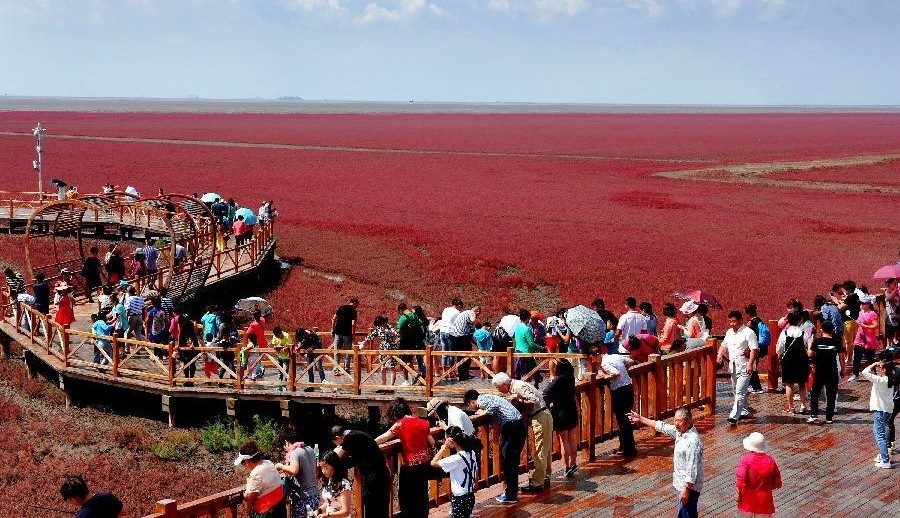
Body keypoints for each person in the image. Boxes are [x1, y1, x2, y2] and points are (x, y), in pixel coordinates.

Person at [628, 408, 704, 518]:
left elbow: (692, 469)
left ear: (688, 422)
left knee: (685, 514)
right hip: (680, 483)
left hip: (688, 486)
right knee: (687, 514)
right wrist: (640, 418)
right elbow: (661, 426)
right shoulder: (680, 431)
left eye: (680, 421)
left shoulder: (692, 442)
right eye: (675, 420)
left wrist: (686, 490)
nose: (676, 424)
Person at [493, 371, 552, 491]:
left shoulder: (518, 387)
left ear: (504, 384)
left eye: (498, 387)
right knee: (544, 448)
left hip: (540, 416)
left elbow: (533, 400)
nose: (498, 390)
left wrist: (518, 401)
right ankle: (544, 477)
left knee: (540, 450)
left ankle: (537, 483)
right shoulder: (515, 386)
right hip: (541, 416)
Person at [464, 389, 525, 504]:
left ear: (471, 401)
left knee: (508, 461)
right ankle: (512, 491)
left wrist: (484, 412)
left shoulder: (482, 400)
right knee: (513, 461)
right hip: (518, 425)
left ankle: (511, 494)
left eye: (470, 405)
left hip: (511, 427)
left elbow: (494, 406)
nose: (472, 408)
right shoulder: (489, 397)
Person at [375, 398, 434, 518]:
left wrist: (368, 443)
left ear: (395, 414)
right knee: (422, 495)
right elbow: (432, 441)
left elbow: (383, 438)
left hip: (410, 467)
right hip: (424, 464)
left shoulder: (400, 424)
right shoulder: (424, 423)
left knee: (407, 498)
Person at [331, 425, 390, 518]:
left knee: (372, 507)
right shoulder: (354, 434)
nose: (339, 445)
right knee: (381, 508)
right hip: (381, 474)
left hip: (374, 477)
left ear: (338, 437)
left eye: (336, 442)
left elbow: (353, 460)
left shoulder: (350, 439)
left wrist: (336, 465)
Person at [717, 310, 759, 426]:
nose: (732, 324)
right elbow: (723, 345)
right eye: (730, 321)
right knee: (736, 390)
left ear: (741, 320)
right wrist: (719, 355)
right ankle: (744, 410)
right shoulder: (729, 332)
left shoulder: (749, 332)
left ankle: (733, 416)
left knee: (740, 391)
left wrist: (750, 364)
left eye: (734, 321)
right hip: (733, 366)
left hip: (745, 366)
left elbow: (754, 349)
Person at [596, 344, 638, 457]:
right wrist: (625, 371)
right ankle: (627, 447)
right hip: (628, 387)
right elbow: (630, 361)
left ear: (596, 355)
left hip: (619, 391)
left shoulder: (604, 363)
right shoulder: (615, 356)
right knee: (627, 418)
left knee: (622, 419)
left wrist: (605, 376)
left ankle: (627, 449)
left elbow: (616, 373)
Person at [431, 425, 479, 518]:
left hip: (460, 496)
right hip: (470, 494)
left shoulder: (456, 459)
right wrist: (475, 485)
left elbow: (433, 463)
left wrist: (443, 448)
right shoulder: (471, 452)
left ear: (452, 441)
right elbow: (476, 471)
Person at [543, 358, 579, 478]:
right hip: (572, 409)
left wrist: (552, 379)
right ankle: (573, 463)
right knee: (571, 438)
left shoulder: (559, 379)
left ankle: (566, 467)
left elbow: (546, 391)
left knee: (564, 440)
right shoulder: (570, 377)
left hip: (561, 411)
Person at [234, 440, 287, 518]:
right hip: (279, 506)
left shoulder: (255, 473)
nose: (244, 466)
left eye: (243, 463)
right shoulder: (268, 463)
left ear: (247, 462)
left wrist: (243, 494)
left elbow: (249, 497)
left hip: (267, 511)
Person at [735, 432, 782, 518]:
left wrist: (738, 493)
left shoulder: (745, 460)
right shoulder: (770, 460)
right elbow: (777, 483)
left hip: (747, 500)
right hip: (765, 501)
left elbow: (741, 479)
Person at [860, 353, 895, 469]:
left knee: (879, 434)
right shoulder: (891, 379)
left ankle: (885, 460)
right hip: (888, 409)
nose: (879, 368)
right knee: (881, 433)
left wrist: (874, 363)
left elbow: (864, 372)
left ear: (884, 370)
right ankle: (882, 455)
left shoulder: (880, 380)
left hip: (880, 410)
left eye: (881, 367)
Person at [275, 430, 320, 518]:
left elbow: (294, 470)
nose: (285, 450)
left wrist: (280, 466)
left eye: (284, 447)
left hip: (304, 498)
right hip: (315, 495)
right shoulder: (309, 449)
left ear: (286, 442)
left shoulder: (295, 452)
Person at [807, 321, 845, 424]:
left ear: (821, 329)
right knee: (831, 394)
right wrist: (843, 370)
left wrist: (810, 344)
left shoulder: (816, 341)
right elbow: (842, 358)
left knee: (815, 393)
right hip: (832, 370)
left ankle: (814, 414)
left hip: (819, 371)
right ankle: (829, 417)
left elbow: (810, 354)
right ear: (832, 330)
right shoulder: (837, 342)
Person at [775, 311, 810, 414]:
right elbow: (808, 346)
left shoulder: (784, 333)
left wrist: (780, 356)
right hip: (801, 360)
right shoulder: (804, 333)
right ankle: (803, 406)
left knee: (789, 384)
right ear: (800, 320)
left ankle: (791, 407)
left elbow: (779, 348)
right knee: (802, 384)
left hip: (788, 360)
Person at [361, 315, 402, 389]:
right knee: (383, 367)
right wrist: (364, 342)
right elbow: (372, 336)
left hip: (391, 348)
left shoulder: (390, 327)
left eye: (379, 324)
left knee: (392, 367)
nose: (379, 326)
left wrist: (396, 342)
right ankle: (383, 385)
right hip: (382, 348)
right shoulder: (379, 328)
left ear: (383, 322)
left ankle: (391, 386)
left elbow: (397, 335)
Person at [316, 450, 353, 518]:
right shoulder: (329, 481)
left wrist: (327, 515)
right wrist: (319, 510)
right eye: (321, 468)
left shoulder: (344, 484)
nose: (323, 471)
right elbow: (329, 503)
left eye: (326, 467)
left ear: (334, 466)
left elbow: (346, 511)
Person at [447, 304, 479, 381]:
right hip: (461, 336)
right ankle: (465, 375)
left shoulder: (463, 313)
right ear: (477, 311)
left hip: (453, 336)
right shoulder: (471, 312)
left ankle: (462, 375)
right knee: (467, 355)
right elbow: (473, 319)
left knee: (460, 356)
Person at [743, 304, 771, 394]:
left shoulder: (750, 323)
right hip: (761, 348)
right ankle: (755, 386)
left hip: (754, 348)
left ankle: (756, 387)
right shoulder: (760, 321)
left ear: (747, 313)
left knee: (752, 367)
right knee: (754, 366)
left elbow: (746, 337)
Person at [513, 308, 543, 385]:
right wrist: (540, 348)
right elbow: (531, 343)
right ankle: (535, 385)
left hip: (518, 352)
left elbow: (515, 341)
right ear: (528, 318)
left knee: (519, 372)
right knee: (533, 371)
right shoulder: (527, 329)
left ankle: (519, 386)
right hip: (527, 353)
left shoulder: (517, 328)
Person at [852, 297, 880, 380]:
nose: (862, 305)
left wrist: (866, 326)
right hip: (859, 339)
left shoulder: (872, 314)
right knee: (857, 358)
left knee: (870, 358)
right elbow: (859, 321)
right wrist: (857, 322)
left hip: (868, 340)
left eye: (863, 303)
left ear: (868, 304)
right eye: (861, 303)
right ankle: (855, 375)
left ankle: (874, 374)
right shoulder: (861, 312)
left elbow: (875, 325)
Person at [331, 297, 358, 374]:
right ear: (355, 303)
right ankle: (346, 369)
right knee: (347, 352)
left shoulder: (341, 307)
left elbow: (333, 319)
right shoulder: (353, 310)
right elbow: (353, 324)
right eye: (357, 304)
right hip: (347, 333)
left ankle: (336, 369)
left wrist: (332, 329)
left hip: (338, 332)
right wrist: (353, 333)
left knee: (336, 351)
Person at [170, 308, 200, 380]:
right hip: (191, 347)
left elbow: (181, 337)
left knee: (186, 363)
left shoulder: (184, 326)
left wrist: (179, 346)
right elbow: (194, 337)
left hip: (186, 348)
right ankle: (191, 379)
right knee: (192, 363)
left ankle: (187, 379)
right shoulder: (190, 324)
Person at [439, 298, 464, 376]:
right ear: (459, 305)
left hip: (442, 331)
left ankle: (444, 371)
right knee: (451, 353)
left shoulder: (445, 309)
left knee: (444, 352)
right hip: (451, 332)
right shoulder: (458, 312)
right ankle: (451, 372)